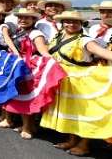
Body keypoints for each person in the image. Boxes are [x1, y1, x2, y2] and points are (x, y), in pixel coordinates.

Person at [40, 10, 112, 156]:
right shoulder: (59, 35)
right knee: (71, 112)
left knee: (86, 113)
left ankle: (84, 145)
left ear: (81, 24)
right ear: (62, 23)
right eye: (68, 21)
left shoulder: (85, 40)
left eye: (75, 22)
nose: (71, 24)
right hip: (65, 80)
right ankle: (72, 140)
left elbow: (102, 52)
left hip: (82, 80)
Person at [3, 8, 65, 140]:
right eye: (20, 17)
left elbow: (44, 52)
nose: (23, 20)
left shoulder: (36, 33)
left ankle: (27, 127)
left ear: (34, 20)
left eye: (27, 18)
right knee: (19, 96)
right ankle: (28, 126)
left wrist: (56, 65)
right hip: (18, 66)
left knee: (27, 98)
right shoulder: (21, 31)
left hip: (29, 68)